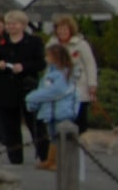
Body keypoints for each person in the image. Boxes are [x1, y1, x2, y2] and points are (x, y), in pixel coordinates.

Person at [0, 9, 46, 166]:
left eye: (14, 24)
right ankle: (15, 158)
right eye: (8, 24)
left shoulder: (34, 41)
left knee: (35, 124)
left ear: (23, 25)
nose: (10, 27)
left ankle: (44, 156)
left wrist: (24, 67)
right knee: (10, 126)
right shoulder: (0, 42)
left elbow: (41, 63)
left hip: (27, 88)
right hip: (6, 88)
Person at [25, 42, 82, 171]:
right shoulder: (49, 72)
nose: (46, 58)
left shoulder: (64, 73)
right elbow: (43, 88)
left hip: (62, 109)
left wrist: (31, 98)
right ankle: (50, 160)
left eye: (48, 56)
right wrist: (34, 104)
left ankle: (60, 162)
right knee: (53, 136)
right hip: (51, 110)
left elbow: (55, 91)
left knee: (61, 137)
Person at [50, 14, 100, 132]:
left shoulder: (81, 44)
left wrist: (92, 84)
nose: (62, 32)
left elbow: (90, 65)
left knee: (79, 121)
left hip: (79, 88)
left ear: (71, 30)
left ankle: (80, 148)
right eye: (59, 29)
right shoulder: (51, 44)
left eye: (65, 29)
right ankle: (63, 147)